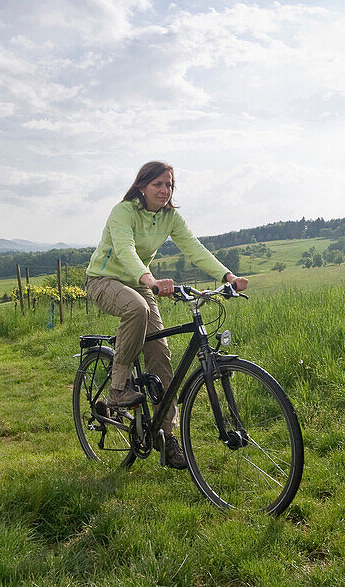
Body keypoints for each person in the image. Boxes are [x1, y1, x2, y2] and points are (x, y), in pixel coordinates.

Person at [85, 161, 248, 469]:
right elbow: (124, 250)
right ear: (142, 186)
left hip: (140, 282)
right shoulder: (124, 212)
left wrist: (228, 276)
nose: (165, 190)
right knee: (137, 308)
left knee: (161, 357)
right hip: (104, 279)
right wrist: (150, 280)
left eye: (170, 185)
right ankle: (118, 388)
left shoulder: (170, 217)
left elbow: (195, 249)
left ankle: (166, 437)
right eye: (158, 184)